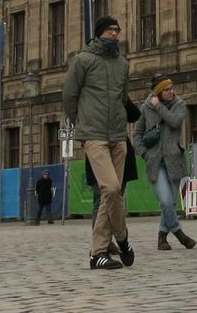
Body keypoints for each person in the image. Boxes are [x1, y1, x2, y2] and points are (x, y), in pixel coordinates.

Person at [63, 16, 134, 270]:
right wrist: (81, 124)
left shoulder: (122, 64)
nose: (115, 33)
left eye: (117, 30)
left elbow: (123, 96)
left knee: (110, 194)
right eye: (110, 30)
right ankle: (121, 238)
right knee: (112, 187)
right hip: (94, 136)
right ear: (99, 33)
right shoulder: (83, 60)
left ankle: (101, 252)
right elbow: (69, 96)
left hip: (118, 134)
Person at [136, 73, 195, 250]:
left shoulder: (180, 104)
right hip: (155, 161)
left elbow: (175, 122)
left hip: (174, 159)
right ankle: (179, 233)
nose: (172, 91)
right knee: (166, 201)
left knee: (171, 201)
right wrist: (144, 153)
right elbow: (137, 133)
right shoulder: (146, 108)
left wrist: (160, 107)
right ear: (159, 92)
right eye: (167, 89)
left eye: (172, 88)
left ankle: (162, 237)